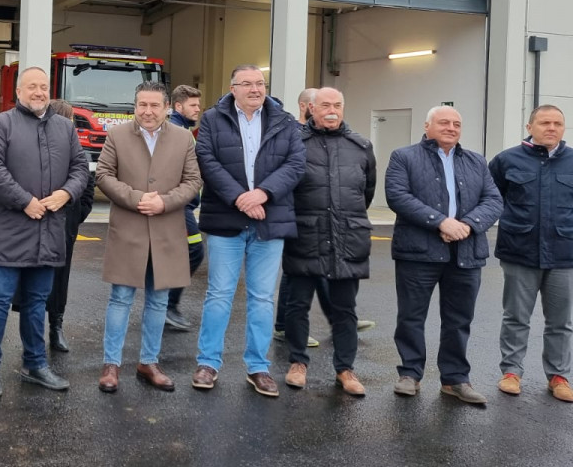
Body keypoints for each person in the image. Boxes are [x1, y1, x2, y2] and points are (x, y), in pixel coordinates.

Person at [191, 65, 304, 398]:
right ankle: (208, 363)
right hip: (227, 220)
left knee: (261, 298)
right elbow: (206, 160)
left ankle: (258, 367)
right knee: (219, 295)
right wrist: (240, 198)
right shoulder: (213, 119)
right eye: (247, 84)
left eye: (260, 83)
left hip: (270, 220)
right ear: (233, 88)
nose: (255, 89)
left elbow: (296, 164)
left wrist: (263, 193)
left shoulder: (285, 121)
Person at [0, 68, 89, 397]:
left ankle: (35, 364)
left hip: (49, 231)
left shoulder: (65, 128)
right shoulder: (2, 124)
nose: (39, 92)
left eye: (43, 87)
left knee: (37, 303)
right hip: (12, 230)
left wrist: (67, 193)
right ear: (19, 91)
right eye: (32, 87)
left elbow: (80, 167)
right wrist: (24, 201)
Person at [386, 106, 502, 404]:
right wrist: (440, 222)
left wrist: (466, 225)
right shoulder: (404, 156)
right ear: (427, 126)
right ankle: (410, 374)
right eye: (444, 122)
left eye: (457, 123)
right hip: (417, 252)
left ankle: (455, 379)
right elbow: (398, 196)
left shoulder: (476, 161)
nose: (451, 127)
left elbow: (493, 200)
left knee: (459, 319)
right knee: (411, 316)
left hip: (465, 252)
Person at [97, 82, 202, 394]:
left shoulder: (184, 138)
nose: (148, 111)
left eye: (155, 105)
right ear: (135, 106)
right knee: (120, 298)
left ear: (167, 107)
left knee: (158, 301)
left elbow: (193, 180)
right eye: (142, 104)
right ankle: (111, 365)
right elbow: (103, 175)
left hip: (167, 229)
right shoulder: (117, 135)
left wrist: (165, 202)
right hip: (128, 228)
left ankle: (148, 363)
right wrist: (138, 198)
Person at [489, 105, 573, 402]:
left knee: (560, 321)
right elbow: (494, 198)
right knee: (515, 316)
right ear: (529, 126)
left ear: (563, 128)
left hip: (566, 253)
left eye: (557, 123)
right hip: (519, 250)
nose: (551, 128)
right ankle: (511, 372)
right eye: (545, 122)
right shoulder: (506, 160)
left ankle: (559, 377)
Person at [280, 87, 376, 396]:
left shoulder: (361, 146)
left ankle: (345, 370)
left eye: (337, 104)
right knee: (297, 306)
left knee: (345, 309)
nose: (331, 110)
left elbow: (366, 192)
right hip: (305, 235)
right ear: (311, 108)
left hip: (348, 237)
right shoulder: (293, 143)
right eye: (325, 105)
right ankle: (297, 363)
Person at [44, 98, 95, 353]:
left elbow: (87, 190)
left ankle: (56, 327)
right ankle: (32, 331)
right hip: (38, 226)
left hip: (65, 228)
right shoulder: (38, 147)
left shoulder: (77, 152)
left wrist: (75, 218)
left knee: (60, 280)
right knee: (36, 279)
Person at [164, 84, 205, 332]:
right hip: (179, 206)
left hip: (184, 205)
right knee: (194, 251)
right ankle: (168, 305)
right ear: (178, 106)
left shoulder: (183, 130)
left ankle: (165, 304)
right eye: (193, 105)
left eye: (198, 106)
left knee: (183, 253)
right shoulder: (176, 131)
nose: (198, 110)